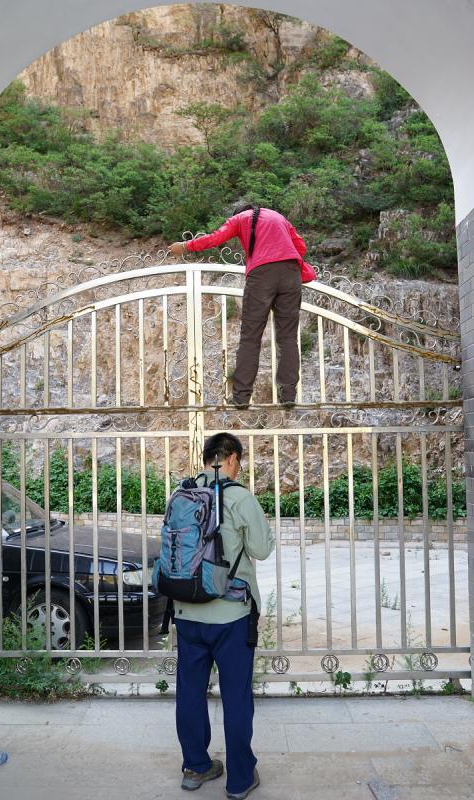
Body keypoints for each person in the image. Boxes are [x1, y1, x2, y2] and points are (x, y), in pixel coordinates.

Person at [173, 431, 274, 799]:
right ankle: (239, 779)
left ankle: (196, 767)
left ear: (206, 458)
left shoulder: (181, 494)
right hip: (231, 616)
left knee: (190, 692)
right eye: (238, 461)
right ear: (231, 458)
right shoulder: (239, 497)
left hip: (186, 611)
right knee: (235, 696)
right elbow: (262, 549)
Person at [169, 205, 316, 408]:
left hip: (262, 276)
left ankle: (241, 397)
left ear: (238, 213)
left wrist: (185, 246)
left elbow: (214, 238)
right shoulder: (279, 217)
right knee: (288, 337)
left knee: (251, 337)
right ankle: (289, 395)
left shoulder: (240, 219)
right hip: (291, 273)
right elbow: (301, 247)